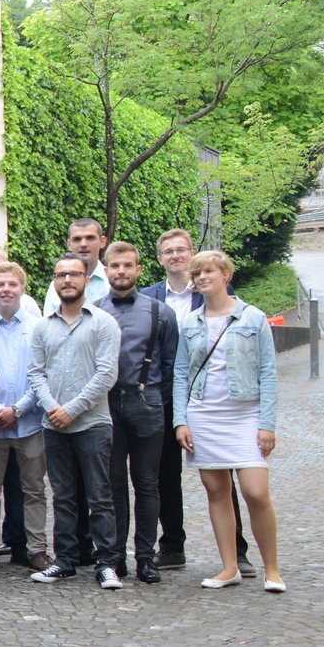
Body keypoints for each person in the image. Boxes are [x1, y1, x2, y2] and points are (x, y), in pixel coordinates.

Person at [174, 250, 282, 592]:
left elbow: (268, 372)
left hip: (245, 414)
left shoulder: (253, 317)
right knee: (217, 492)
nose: (202, 277)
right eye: (197, 274)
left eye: (209, 271)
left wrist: (267, 424)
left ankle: (272, 570)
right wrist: (180, 420)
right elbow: (180, 373)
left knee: (256, 492)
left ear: (226, 275)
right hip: (204, 415)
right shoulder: (190, 322)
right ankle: (229, 567)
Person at [145, 227, 244, 569]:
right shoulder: (148, 298)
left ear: (191, 253)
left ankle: (238, 550)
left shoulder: (213, 290)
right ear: (160, 259)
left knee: (221, 472)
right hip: (162, 396)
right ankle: (172, 546)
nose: (176, 256)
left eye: (181, 249)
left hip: (208, 396)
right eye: (168, 251)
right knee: (164, 475)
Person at [28, 255, 123, 588]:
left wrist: (73, 409)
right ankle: (65, 561)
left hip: (92, 424)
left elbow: (106, 374)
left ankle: (107, 563)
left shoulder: (103, 323)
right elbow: (35, 373)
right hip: (54, 425)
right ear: (54, 281)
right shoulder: (43, 326)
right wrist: (53, 407)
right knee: (63, 497)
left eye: (74, 274)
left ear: (86, 279)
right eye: (60, 275)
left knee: (100, 497)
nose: (67, 280)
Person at [97, 241, 179, 584]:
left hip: (147, 401)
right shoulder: (94, 311)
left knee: (147, 484)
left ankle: (146, 557)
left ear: (139, 269)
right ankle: (115, 557)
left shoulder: (161, 312)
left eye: (128, 265)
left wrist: (159, 401)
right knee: (113, 485)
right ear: (106, 270)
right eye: (115, 266)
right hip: (106, 404)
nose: (121, 271)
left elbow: (172, 365)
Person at [0, 263, 50, 574]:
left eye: (12, 284)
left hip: (30, 423)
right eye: (0, 284)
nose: (6, 290)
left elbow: (43, 374)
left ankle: (37, 549)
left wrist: (19, 409)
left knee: (34, 489)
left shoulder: (39, 327)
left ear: (22, 288)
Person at [43, 218, 111, 313]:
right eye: (77, 239)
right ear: (69, 244)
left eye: (90, 238)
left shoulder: (111, 283)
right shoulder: (56, 286)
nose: (83, 244)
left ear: (102, 242)